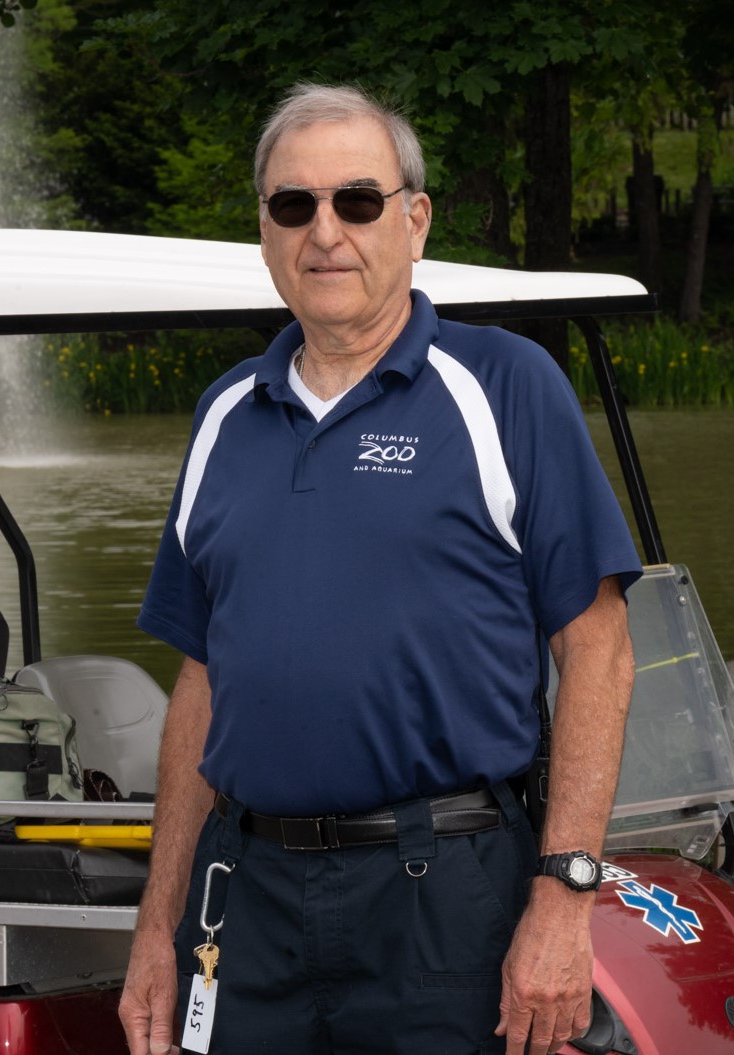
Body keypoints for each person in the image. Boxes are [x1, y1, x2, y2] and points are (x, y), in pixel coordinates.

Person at [119, 83, 641, 1055]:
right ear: (265, 230)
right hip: (247, 897)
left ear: (413, 219)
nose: (325, 231)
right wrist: (157, 924)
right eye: (293, 205)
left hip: (441, 893)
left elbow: (598, 646)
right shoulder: (223, 414)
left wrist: (566, 891)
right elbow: (201, 677)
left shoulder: (504, 388)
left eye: (357, 200)